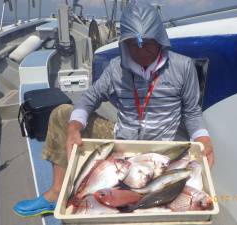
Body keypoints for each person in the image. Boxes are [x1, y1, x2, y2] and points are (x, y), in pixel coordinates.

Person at [13, 1, 214, 217]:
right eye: (133, 43)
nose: (141, 50)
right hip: (122, 139)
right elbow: (90, 97)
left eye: (148, 43)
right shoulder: (116, 68)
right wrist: (74, 126)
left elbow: (192, 112)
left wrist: (203, 139)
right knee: (62, 113)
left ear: (160, 40)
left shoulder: (183, 67)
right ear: (124, 43)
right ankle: (55, 195)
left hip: (162, 147)